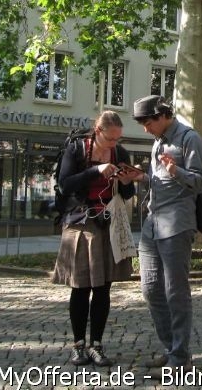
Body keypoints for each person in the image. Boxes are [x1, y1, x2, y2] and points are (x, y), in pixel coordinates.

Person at [51, 110, 138, 367]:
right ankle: (78, 345)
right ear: (97, 131)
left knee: (103, 287)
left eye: (117, 139)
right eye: (110, 139)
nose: (114, 144)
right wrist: (96, 171)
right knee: (81, 287)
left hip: (107, 223)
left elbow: (128, 192)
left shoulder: (120, 153)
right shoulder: (77, 150)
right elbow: (65, 184)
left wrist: (125, 181)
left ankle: (97, 344)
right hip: (80, 222)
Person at [133, 95, 202, 372]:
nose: (145, 128)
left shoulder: (190, 138)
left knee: (175, 292)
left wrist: (176, 171)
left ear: (163, 115)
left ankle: (180, 357)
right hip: (153, 224)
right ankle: (170, 347)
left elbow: (200, 182)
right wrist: (139, 177)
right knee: (150, 288)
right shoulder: (158, 141)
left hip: (177, 224)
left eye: (147, 122)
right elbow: (158, 179)